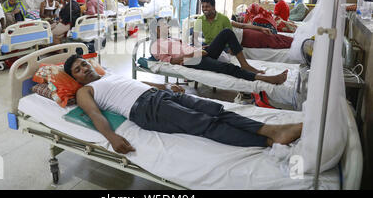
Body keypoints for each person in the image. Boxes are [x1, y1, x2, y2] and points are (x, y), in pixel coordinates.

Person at [65, 55, 303, 154]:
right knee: (204, 123)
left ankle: (270, 129)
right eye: (78, 70)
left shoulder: (106, 74)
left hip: (157, 96)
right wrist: (112, 138)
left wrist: (165, 87)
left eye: (83, 64)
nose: (84, 69)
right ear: (74, 78)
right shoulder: (85, 92)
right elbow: (96, 115)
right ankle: (268, 140)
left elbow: (138, 84)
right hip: (146, 110)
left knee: (215, 109)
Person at [151, 18, 288, 85]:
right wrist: (195, 54)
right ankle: (265, 79)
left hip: (199, 53)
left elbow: (184, 48)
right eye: (164, 25)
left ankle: (245, 64)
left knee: (227, 32)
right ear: (156, 29)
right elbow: (172, 60)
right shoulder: (156, 45)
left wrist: (199, 49)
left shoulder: (171, 38)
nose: (168, 27)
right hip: (189, 60)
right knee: (225, 67)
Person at [197, 0, 273, 46]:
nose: (204, 9)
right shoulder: (199, 20)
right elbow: (195, 39)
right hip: (207, 45)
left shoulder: (223, 19)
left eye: (207, 7)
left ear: (214, 7)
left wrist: (261, 28)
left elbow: (242, 26)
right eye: (203, 7)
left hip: (222, 47)